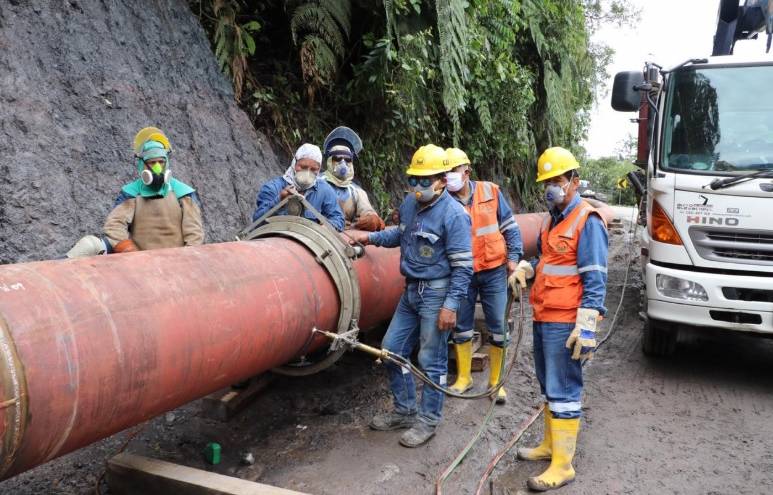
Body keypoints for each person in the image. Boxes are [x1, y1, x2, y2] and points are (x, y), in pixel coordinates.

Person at [347, 144, 473, 448]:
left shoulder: (455, 215)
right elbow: (399, 235)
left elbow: (464, 268)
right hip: (411, 291)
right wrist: (370, 237)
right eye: (413, 180)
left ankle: (428, 420)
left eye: (424, 180)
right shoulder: (409, 204)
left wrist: (451, 306)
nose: (417, 187)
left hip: (437, 293)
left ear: (442, 180)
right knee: (390, 350)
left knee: (432, 359)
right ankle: (405, 410)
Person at [511, 146, 608, 492]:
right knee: (548, 384)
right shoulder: (552, 219)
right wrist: (528, 268)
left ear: (574, 182)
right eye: (547, 181)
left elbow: (595, 277)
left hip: (567, 319)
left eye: (558, 180)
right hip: (544, 313)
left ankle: (563, 466)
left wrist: (587, 326)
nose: (551, 186)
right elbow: (549, 262)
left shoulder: (588, 220)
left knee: (565, 388)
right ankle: (550, 446)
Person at [444, 147, 524, 404]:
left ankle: (495, 383)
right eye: (444, 173)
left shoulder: (490, 191)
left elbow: (510, 227)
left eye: (452, 171)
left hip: (493, 270)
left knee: (499, 328)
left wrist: (513, 260)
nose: (448, 177)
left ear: (466, 171)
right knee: (461, 326)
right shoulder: (444, 200)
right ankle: (464, 378)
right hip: (462, 274)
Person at [66, 127, 204, 257]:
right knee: (90, 245)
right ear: (142, 164)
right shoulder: (131, 193)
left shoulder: (183, 193)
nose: (157, 168)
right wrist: (130, 251)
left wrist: (184, 262)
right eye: (152, 162)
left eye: (161, 162)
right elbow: (114, 225)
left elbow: (194, 235)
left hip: (174, 260)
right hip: (137, 260)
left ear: (166, 162)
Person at [252, 143, 345, 231]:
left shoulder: (324, 190)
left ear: (319, 169)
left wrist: (325, 227)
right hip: (274, 239)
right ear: (294, 163)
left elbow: (338, 220)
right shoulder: (272, 188)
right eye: (303, 167)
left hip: (308, 242)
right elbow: (256, 221)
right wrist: (280, 200)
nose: (308, 172)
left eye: (313, 169)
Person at [320, 126, 385, 231]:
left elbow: (369, 212)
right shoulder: (317, 183)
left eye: (347, 159)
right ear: (329, 161)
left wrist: (371, 219)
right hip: (317, 232)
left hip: (344, 237)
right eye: (337, 159)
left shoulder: (356, 192)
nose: (343, 163)